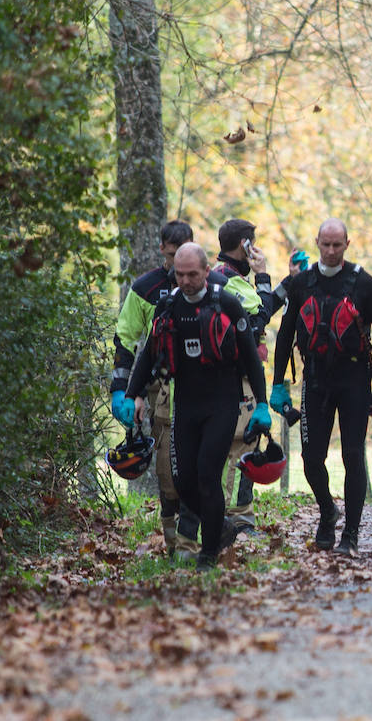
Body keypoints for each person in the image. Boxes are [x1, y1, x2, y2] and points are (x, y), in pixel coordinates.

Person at [124, 243, 271, 570]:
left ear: (207, 271)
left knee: (207, 473)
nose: (186, 281)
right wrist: (131, 394)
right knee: (183, 481)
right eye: (180, 274)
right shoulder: (169, 306)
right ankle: (222, 528)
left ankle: (208, 554)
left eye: (193, 274)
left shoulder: (227, 305)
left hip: (222, 403)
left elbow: (250, 358)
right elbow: (148, 353)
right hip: (185, 405)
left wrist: (261, 405)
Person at [272, 218, 372, 558]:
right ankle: (328, 511)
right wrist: (277, 383)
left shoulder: (363, 283)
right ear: (316, 242)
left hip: (354, 379)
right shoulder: (302, 284)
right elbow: (284, 334)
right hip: (315, 380)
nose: (329, 251)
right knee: (311, 459)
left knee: (353, 455)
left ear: (347, 244)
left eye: (336, 245)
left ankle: (351, 535)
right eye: (324, 244)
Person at [109, 219, 202, 558]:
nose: (179, 266)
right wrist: (122, 389)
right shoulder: (145, 289)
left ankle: (196, 536)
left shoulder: (212, 286)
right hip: (160, 388)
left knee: (200, 463)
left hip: (203, 388)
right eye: (173, 256)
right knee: (167, 467)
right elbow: (126, 337)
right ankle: (174, 538)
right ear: (162, 249)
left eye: (185, 255)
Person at [212, 219, 276, 536]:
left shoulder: (222, 277)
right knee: (241, 445)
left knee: (235, 445)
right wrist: (263, 274)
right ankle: (237, 520)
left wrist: (288, 283)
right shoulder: (230, 281)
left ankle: (230, 517)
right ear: (245, 246)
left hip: (231, 378)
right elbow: (261, 315)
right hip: (238, 381)